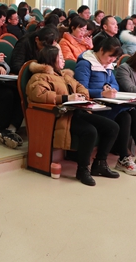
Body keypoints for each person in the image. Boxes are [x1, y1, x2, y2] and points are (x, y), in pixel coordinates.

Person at [26, 46, 120, 186]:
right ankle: (82, 170)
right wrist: (66, 98)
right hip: (60, 116)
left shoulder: (65, 75)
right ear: (51, 60)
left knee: (112, 127)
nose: (64, 60)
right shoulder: (39, 76)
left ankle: (100, 163)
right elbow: (38, 95)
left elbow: (81, 87)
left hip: (77, 111)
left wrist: (80, 95)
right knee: (90, 131)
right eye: (60, 58)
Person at [74, 37, 136, 176]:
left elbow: (115, 85)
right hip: (92, 107)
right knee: (125, 117)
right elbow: (81, 89)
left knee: (134, 113)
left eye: (114, 58)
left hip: (106, 103)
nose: (111, 60)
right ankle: (122, 158)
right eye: (110, 56)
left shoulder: (107, 65)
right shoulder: (85, 63)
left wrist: (109, 87)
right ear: (101, 50)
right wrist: (101, 92)